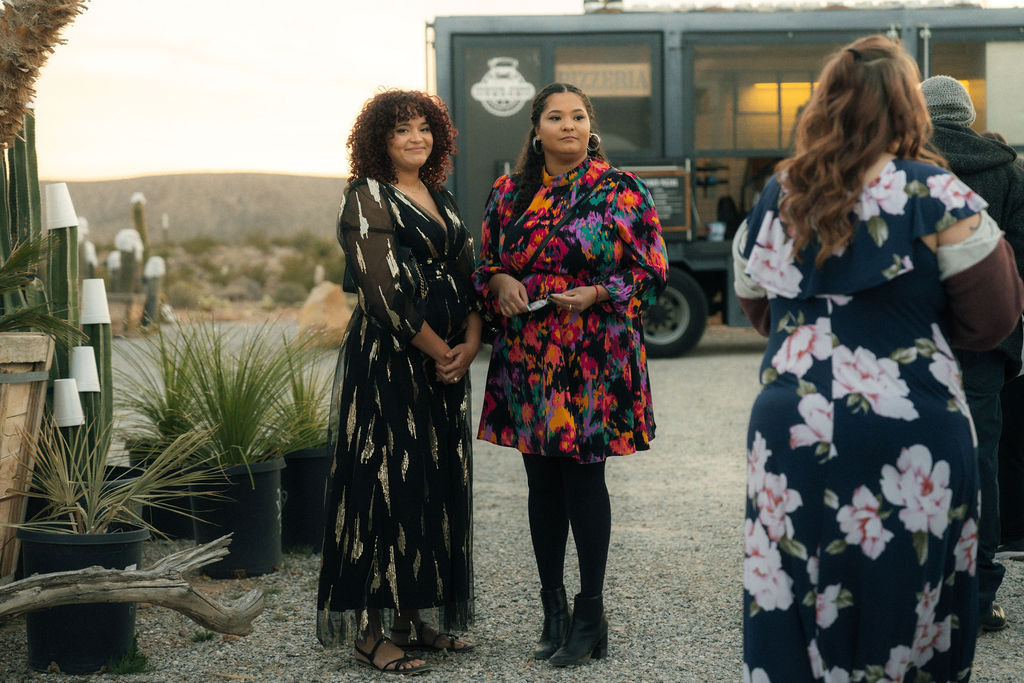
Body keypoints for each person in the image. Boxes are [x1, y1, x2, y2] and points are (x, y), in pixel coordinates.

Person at [732, 36, 1024, 682]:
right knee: (910, 592)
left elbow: (754, 299)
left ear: (824, 105)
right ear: (908, 111)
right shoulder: (936, 193)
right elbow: (995, 315)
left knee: (794, 583)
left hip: (792, 423)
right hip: (911, 422)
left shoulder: (779, 192)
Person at [472, 82, 669, 667]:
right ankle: (552, 611)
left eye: (577, 116)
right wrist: (500, 282)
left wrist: (600, 291)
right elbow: (486, 267)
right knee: (541, 487)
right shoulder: (507, 194)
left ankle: (590, 614)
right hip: (530, 357)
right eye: (555, 117)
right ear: (536, 130)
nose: (568, 126)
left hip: (593, 357)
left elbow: (653, 271)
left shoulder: (621, 190)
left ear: (591, 127)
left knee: (584, 482)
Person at [317, 89, 481, 676]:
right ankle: (370, 633)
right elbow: (382, 295)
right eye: (401, 130)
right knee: (381, 484)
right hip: (389, 361)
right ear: (378, 140)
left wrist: (472, 341)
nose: (416, 138)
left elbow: (469, 271)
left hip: (445, 361)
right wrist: (444, 351)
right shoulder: (365, 197)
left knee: (431, 481)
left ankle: (413, 617)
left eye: (424, 129)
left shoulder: (437, 194)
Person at [920, 74, 1024, 632]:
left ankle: (923, 590)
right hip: (987, 344)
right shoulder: (1009, 172)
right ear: (966, 113)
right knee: (981, 460)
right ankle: (979, 595)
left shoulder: (905, 172)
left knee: (917, 455)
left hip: (917, 340)